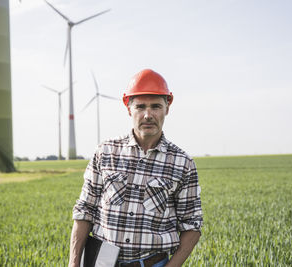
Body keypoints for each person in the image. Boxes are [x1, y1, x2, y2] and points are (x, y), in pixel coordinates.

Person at [69, 69, 203, 267]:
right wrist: (73, 263)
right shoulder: (105, 152)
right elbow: (84, 211)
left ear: (167, 107)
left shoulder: (183, 163)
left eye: (156, 106)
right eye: (140, 106)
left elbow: (192, 225)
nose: (148, 115)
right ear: (128, 107)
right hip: (101, 262)